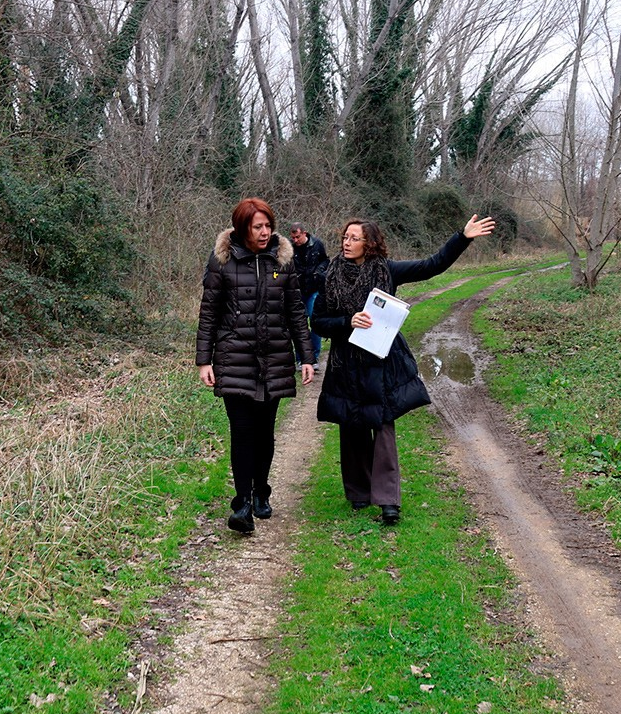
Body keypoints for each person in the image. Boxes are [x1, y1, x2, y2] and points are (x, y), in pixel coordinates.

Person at [311, 214, 495, 525]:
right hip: (347, 362)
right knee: (352, 424)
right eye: (345, 236)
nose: (347, 242)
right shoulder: (328, 275)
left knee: (383, 425)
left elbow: (432, 265)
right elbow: (318, 322)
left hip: (382, 360)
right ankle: (358, 492)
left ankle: (387, 501)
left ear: (369, 244)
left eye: (354, 238)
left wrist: (462, 237)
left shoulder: (387, 270)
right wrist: (346, 322)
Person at [197, 198, 316, 534]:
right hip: (235, 357)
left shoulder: (283, 259)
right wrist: (204, 359)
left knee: (264, 432)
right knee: (242, 432)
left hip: (275, 357)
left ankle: (261, 491)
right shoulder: (222, 261)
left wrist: (306, 357)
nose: (265, 232)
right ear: (242, 228)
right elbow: (209, 313)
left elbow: (295, 311)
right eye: (257, 227)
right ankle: (242, 504)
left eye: (268, 226)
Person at [289, 222, 330, 368]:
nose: (295, 240)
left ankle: (315, 357)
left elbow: (326, 260)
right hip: (296, 291)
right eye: (293, 237)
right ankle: (300, 358)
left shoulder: (317, 244)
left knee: (315, 322)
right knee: (299, 325)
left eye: (297, 237)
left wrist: (319, 271)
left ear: (304, 233)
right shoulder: (289, 248)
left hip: (314, 289)